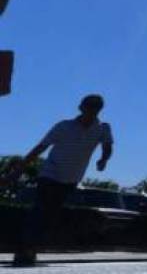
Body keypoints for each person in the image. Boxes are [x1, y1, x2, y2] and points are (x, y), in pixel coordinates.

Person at [9, 94, 114, 267]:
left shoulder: (103, 128)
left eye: (95, 108)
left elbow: (107, 146)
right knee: (40, 211)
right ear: (81, 108)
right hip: (50, 174)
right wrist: (19, 168)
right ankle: (24, 250)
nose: (90, 111)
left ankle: (30, 248)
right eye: (88, 107)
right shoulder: (63, 126)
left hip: (71, 179)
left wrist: (103, 159)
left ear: (98, 110)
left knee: (50, 216)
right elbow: (41, 147)